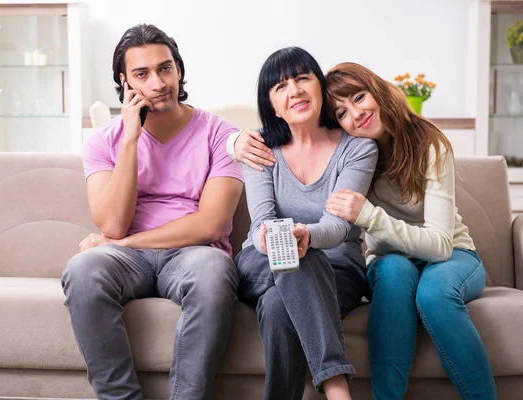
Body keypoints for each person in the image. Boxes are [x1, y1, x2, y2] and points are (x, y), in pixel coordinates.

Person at [232, 62, 497, 400]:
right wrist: (234, 141)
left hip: (451, 253)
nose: (356, 114)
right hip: (389, 256)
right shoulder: (357, 150)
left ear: (378, 90)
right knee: (392, 273)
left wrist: (370, 217)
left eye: (360, 97)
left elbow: (442, 245)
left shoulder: (429, 144)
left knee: (434, 296)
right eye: (342, 112)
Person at [61, 24, 244, 400]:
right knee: (82, 269)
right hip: (128, 261)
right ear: (124, 82)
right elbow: (110, 223)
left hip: (191, 253)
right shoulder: (103, 141)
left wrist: (126, 242)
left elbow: (214, 224)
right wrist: (130, 137)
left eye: (165, 68)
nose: (158, 82)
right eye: (142, 74)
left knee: (215, 269)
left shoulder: (220, 134)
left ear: (178, 70)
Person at [231, 47, 378, 400]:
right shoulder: (259, 147)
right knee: (289, 250)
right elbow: (262, 222)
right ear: (272, 104)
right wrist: (277, 238)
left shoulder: (357, 149)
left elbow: (341, 226)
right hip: (261, 259)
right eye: (280, 87)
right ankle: (337, 387)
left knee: (280, 306)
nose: (294, 90)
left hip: (338, 267)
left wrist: (305, 236)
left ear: (319, 86)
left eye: (302, 78)